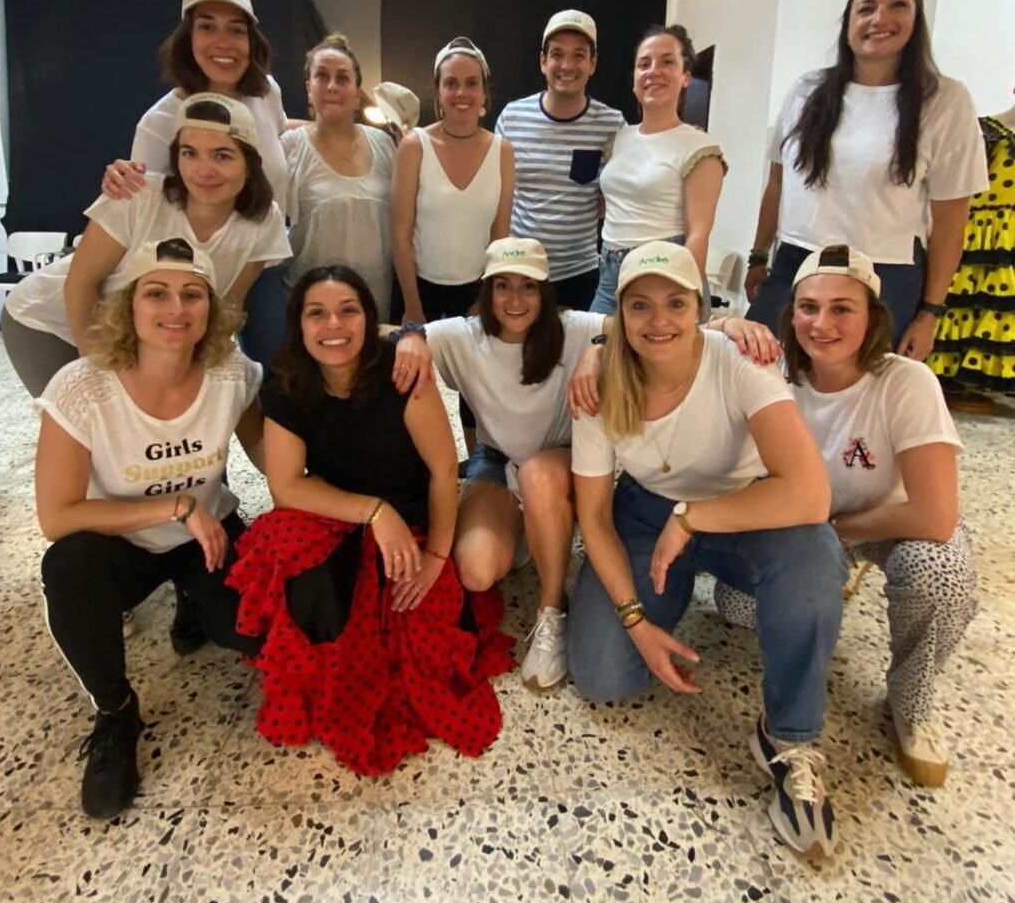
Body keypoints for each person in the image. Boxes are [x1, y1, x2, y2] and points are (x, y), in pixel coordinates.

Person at [393, 238, 783, 692]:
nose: (516, 299)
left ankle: (551, 608)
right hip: (498, 460)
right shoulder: (463, 335)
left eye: (528, 286)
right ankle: (531, 529)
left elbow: (653, 328)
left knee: (539, 476)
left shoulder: (573, 327)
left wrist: (728, 323)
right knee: (477, 571)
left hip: (561, 464)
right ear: (487, 291)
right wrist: (410, 337)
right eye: (503, 286)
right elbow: (385, 335)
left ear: (545, 291)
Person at [568, 240, 846, 860]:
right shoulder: (599, 383)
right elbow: (595, 517)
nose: (658, 320)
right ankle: (677, 595)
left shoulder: (741, 360)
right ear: (620, 314)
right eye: (640, 305)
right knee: (605, 675)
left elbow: (810, 493)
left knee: (811, 573)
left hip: (745, 506)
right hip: (647, 511)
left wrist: (693, 518)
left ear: (700, 307)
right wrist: (635, 623)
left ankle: (789, 738)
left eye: (675, 303)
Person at [225, 266, 514, 776]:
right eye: (317, 313)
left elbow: (443, 470)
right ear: (299, 324)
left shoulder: (400, 374)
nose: (333, 325)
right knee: (277, 539)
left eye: (348, 311)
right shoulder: (288, 381)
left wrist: (436, 556)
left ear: (368, 318)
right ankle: (318, 662)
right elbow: (287, 486)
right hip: (340, 512)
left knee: (415, 638)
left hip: (413, 519)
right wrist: (372, 512)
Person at [715, 245, 977, 789]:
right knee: (737, 605)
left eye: (842, 309)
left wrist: (839, 534)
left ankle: (911, 700)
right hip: (805, 526)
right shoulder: (774, 370)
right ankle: (831, 577)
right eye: (808, 308)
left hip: (887, 522)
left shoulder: (907, 382)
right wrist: (729, 323)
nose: (822, 324)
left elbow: (934, 515)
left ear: (873, 318)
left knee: (940, 575)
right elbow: (681, 336)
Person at [36, 238, 265, 819]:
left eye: (193, 294)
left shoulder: (231, 373)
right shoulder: (82, 388)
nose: (176, 308)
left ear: (211, 308)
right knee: (68, 568)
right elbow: (57, 516)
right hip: (117, 544)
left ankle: (194, 597)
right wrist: (176, 507)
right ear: (128, 305)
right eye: (156, 293)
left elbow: (271, 458)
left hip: (207, 537)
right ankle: (115, 713)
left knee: (252, 632)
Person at [745, 0, 988, 361]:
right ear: (848, 22)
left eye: (898, 5)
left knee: (857, 386)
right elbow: (778, 182)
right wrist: (758, 254)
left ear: (917, 19)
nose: (880, 19)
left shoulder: (944, 101)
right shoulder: (807, 91)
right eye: (867, 8)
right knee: (757, 369)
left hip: (885, 273)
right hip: (796, 260)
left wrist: (930, 312)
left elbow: (950, 220)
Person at [3, 94, 289, 396]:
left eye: (222, 156)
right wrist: (101, 378)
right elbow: (81, 283)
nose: (204, 170)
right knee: (92, 417)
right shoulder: (138, 196)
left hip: (134, 335)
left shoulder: (264, 220)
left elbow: (226, 308)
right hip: (49, 320)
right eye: (190, 153)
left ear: (249, 163)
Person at [100, 0, 293, 366]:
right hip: (194, 276)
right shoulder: (159, 123)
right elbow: (142, 210)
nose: (223, 42)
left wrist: (338, 128)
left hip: (263, 262)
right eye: (207, 27)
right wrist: (118, 178)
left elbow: (282, 133)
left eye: (235, 30)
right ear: (187, 37)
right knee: (188, 370)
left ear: (251, 41)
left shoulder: (266, 92)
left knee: (277, 371)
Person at [591, 24, 725, 317]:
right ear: (634, 80)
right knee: (591, 343)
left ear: (686, 77)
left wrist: (682, 298)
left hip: (664, 275)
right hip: (610, 276)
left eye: (667, 62)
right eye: (644, 64)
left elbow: (698, 234)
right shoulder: (620, 138)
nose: (654, 71)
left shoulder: (699, 146)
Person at [496, 10, 625, 309]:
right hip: (519, 270)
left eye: (579, 55)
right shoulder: (513, 117)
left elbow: (623, 190)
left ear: (593, 64)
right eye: (557, 54)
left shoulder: (612, 124)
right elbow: (494, 194)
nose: (567, 65)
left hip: (579, 274)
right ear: (543, 61)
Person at [392, 36, 515, 325]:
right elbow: (400, 235)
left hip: (476, 292)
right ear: (438, 91)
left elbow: (500, 236)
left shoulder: (502, 151)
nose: (462, 92)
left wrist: (484, 300)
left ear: (484, 92)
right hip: (418, 290)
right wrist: (413, 306)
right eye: (451, 83)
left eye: (471, 83)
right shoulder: (414, 146)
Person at [282, 32, 397, 320]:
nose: (332, 86)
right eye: (322, 76)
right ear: (309, 88)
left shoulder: (384, 144)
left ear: (357, 93)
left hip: (374, 304)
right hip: (313, 309)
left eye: (342, 78)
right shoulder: (290, 147)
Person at [927, 101, 1015, 407]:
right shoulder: (985, 131)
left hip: (1005, 238)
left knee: (999, 309)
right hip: (981, 233)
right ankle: (949, 376)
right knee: (965, 299)